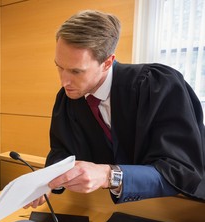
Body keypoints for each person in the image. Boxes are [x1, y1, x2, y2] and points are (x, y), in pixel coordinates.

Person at [29, 10, 205, 208]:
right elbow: (62, 152)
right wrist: (49, 180)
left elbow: (181, 170)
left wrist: (108, 175)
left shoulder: (158, 85)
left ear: (107, 63)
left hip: (182, 211)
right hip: (106, 211)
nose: (64, 81)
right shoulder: (68, 97)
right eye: (59, 66)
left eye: (76, 71)